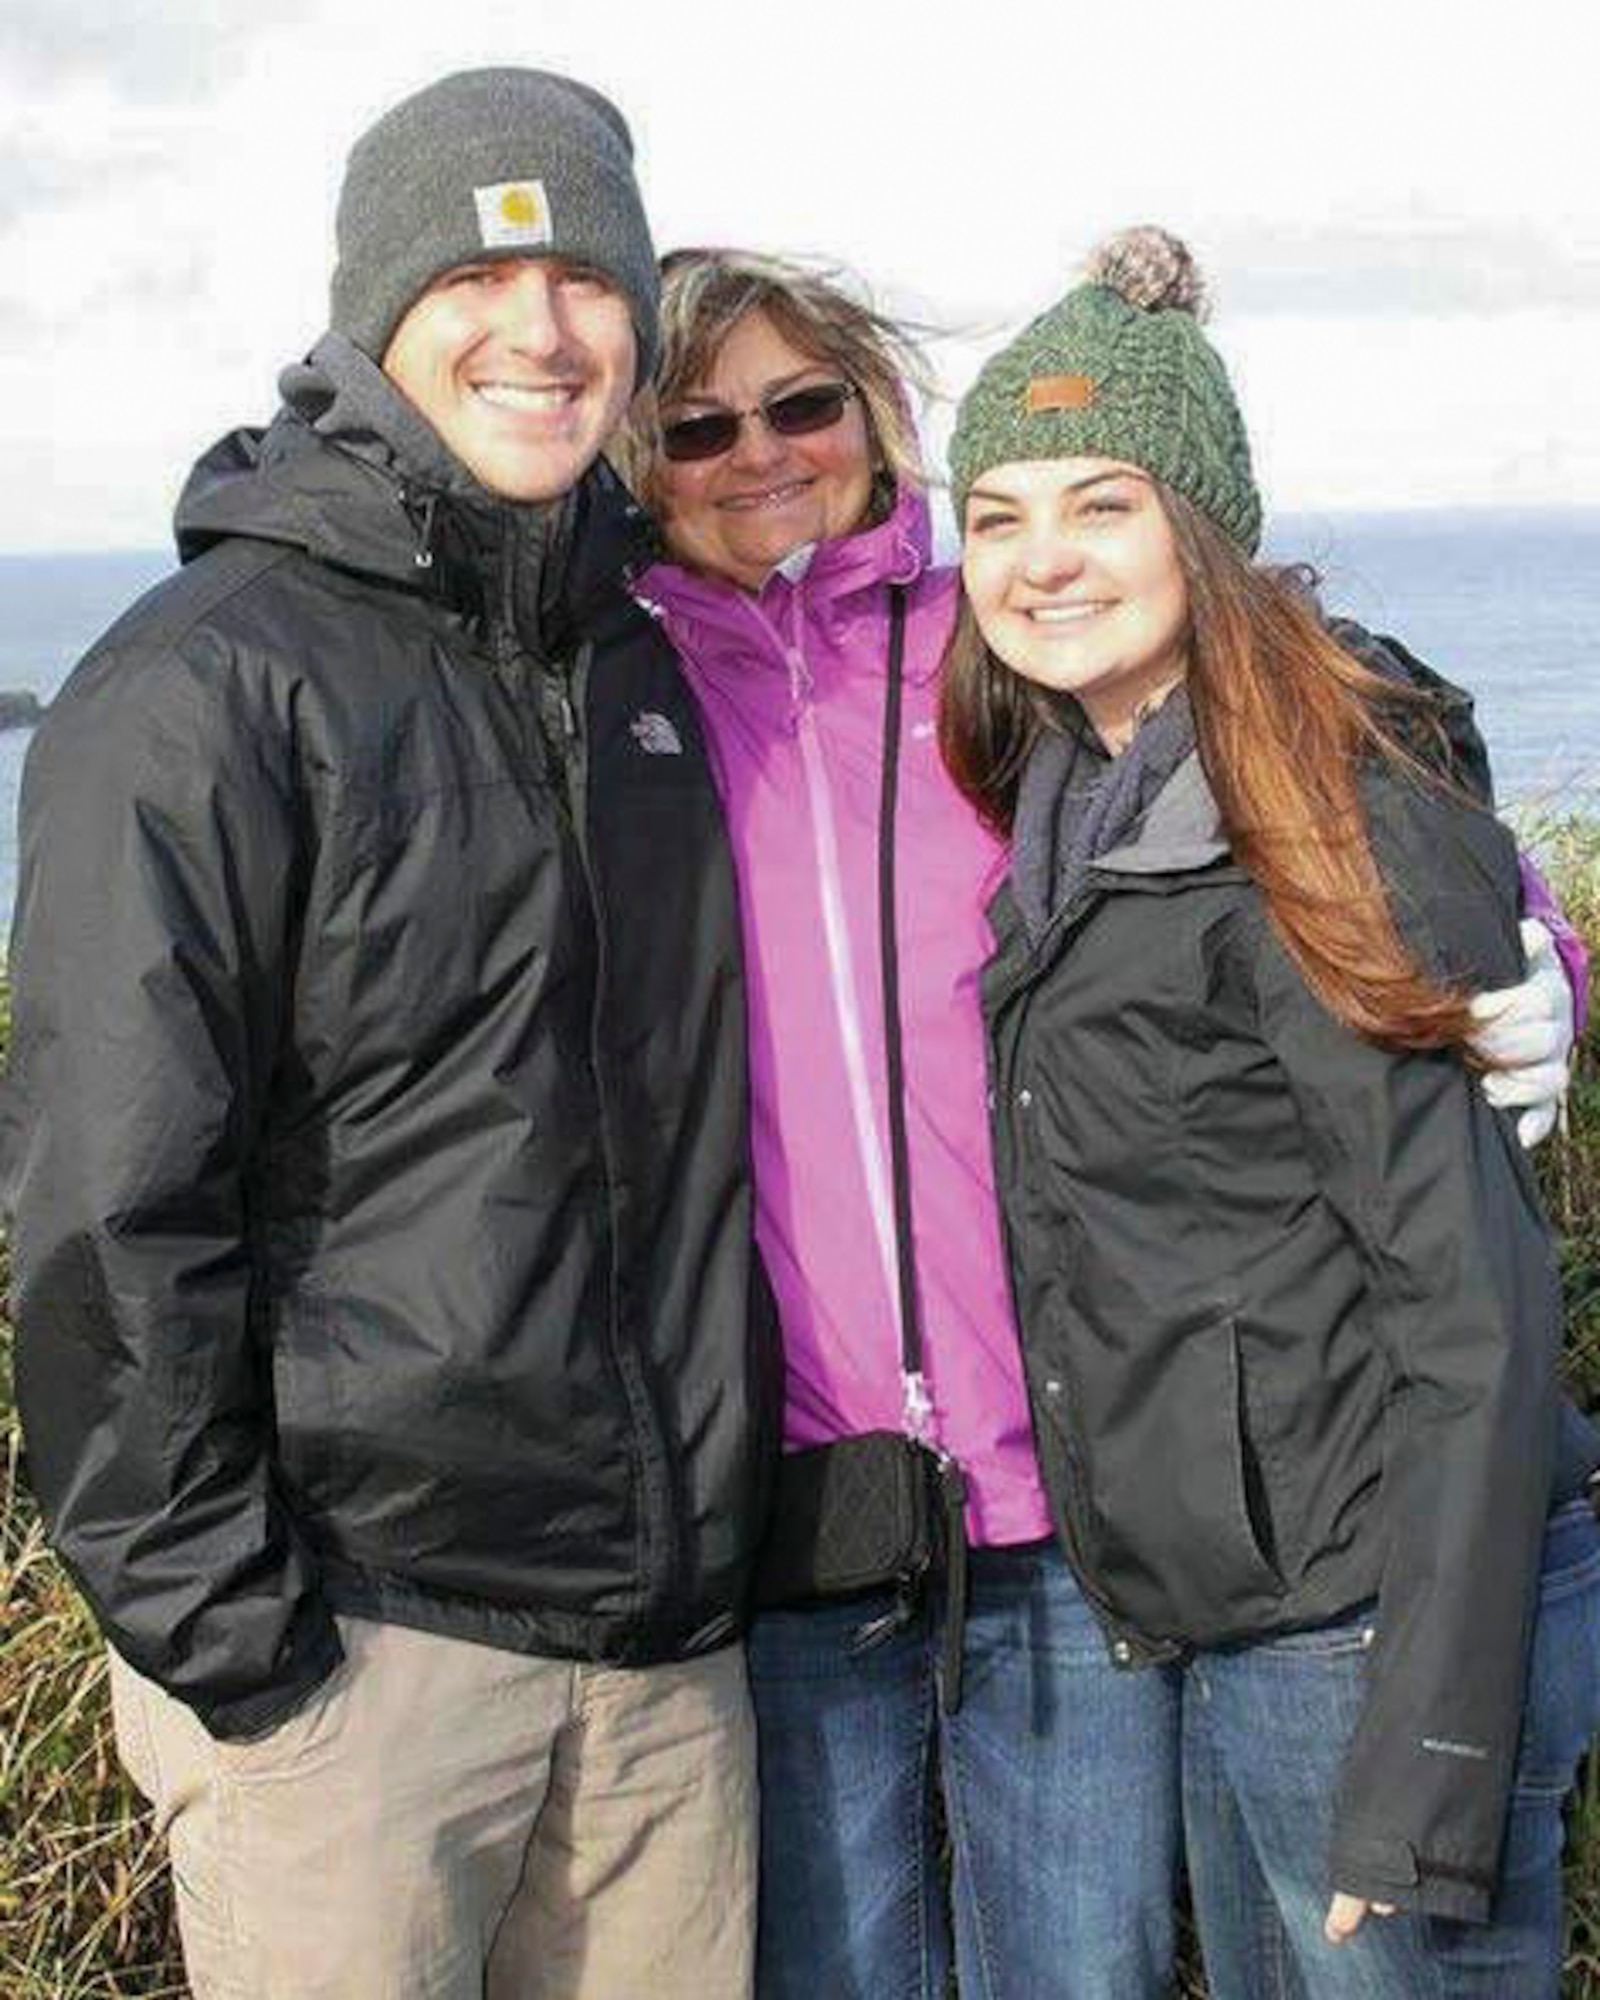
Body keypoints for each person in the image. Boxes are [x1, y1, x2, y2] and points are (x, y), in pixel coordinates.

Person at [622, 249, 1587, 1997]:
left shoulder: (985, 665)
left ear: (876, 417)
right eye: (698, 423)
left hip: (1082, 1511)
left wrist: (1549, 963)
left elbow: (1340, 789)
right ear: (642, 456)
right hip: (797, 1505)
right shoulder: (631, 706)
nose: (759, 451)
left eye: (804, 403)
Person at [5, 69, 776, 2000]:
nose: (540, 330)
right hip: (360, 1660)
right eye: (475, 273)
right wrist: (240, 1648)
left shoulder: (642, 664)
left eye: (585, 278)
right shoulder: (206, 684)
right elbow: (110, 1216)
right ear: (376, 309)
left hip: (666, 1658)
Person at [939, 225, 1600, 1997]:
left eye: (1101, 504)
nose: (1040, 559)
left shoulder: (1311, 818)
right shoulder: (1090, 789)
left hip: (1376, 1634)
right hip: (1260, 1621)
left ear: (1201, 525)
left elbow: (1474, 1311)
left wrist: (1430, 1762)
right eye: (994, 515)